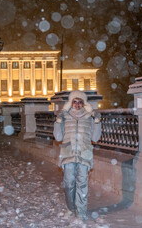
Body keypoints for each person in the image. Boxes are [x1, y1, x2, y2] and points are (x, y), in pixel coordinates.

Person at [53, 90, 102, 220]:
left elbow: (96, 138)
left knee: (82, 184)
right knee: (69, 184)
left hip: (84, 154)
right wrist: (58, 121)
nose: (77, 104)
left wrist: (97, 122)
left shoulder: (88, 117)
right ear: (71, 103)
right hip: (68, 154)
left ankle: (81, 212)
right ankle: (71, 208)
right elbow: (58, 137)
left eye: (80, 102)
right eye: (75, 101)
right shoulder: (65, 116)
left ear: (84, 103)